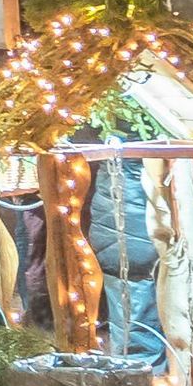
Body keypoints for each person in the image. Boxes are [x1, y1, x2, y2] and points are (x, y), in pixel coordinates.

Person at [75, 128, 166, 373]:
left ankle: (142, 370)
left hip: (123, 182)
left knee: (131, 284)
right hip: (126, 184)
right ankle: (144, 373)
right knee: (131, 283)